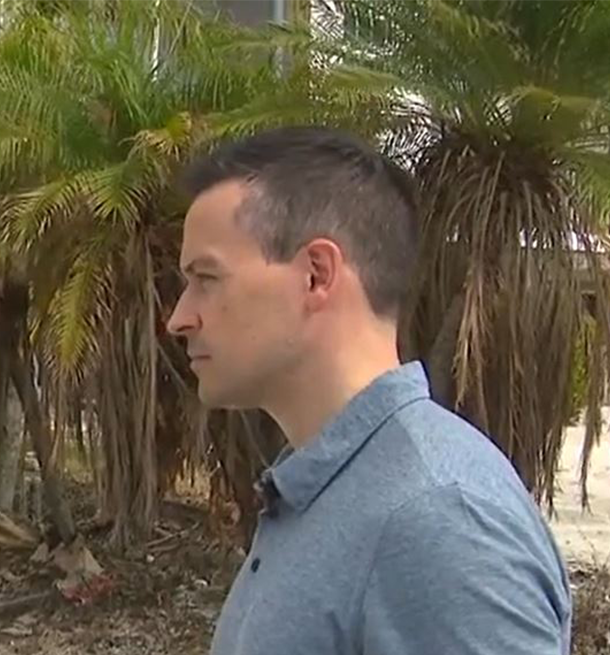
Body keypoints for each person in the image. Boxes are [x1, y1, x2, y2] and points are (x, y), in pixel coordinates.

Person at [166, 127, 572, 654]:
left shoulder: (438, 518)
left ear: (316, 275)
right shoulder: (327, 487)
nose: (178, 318)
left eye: (206, 278)